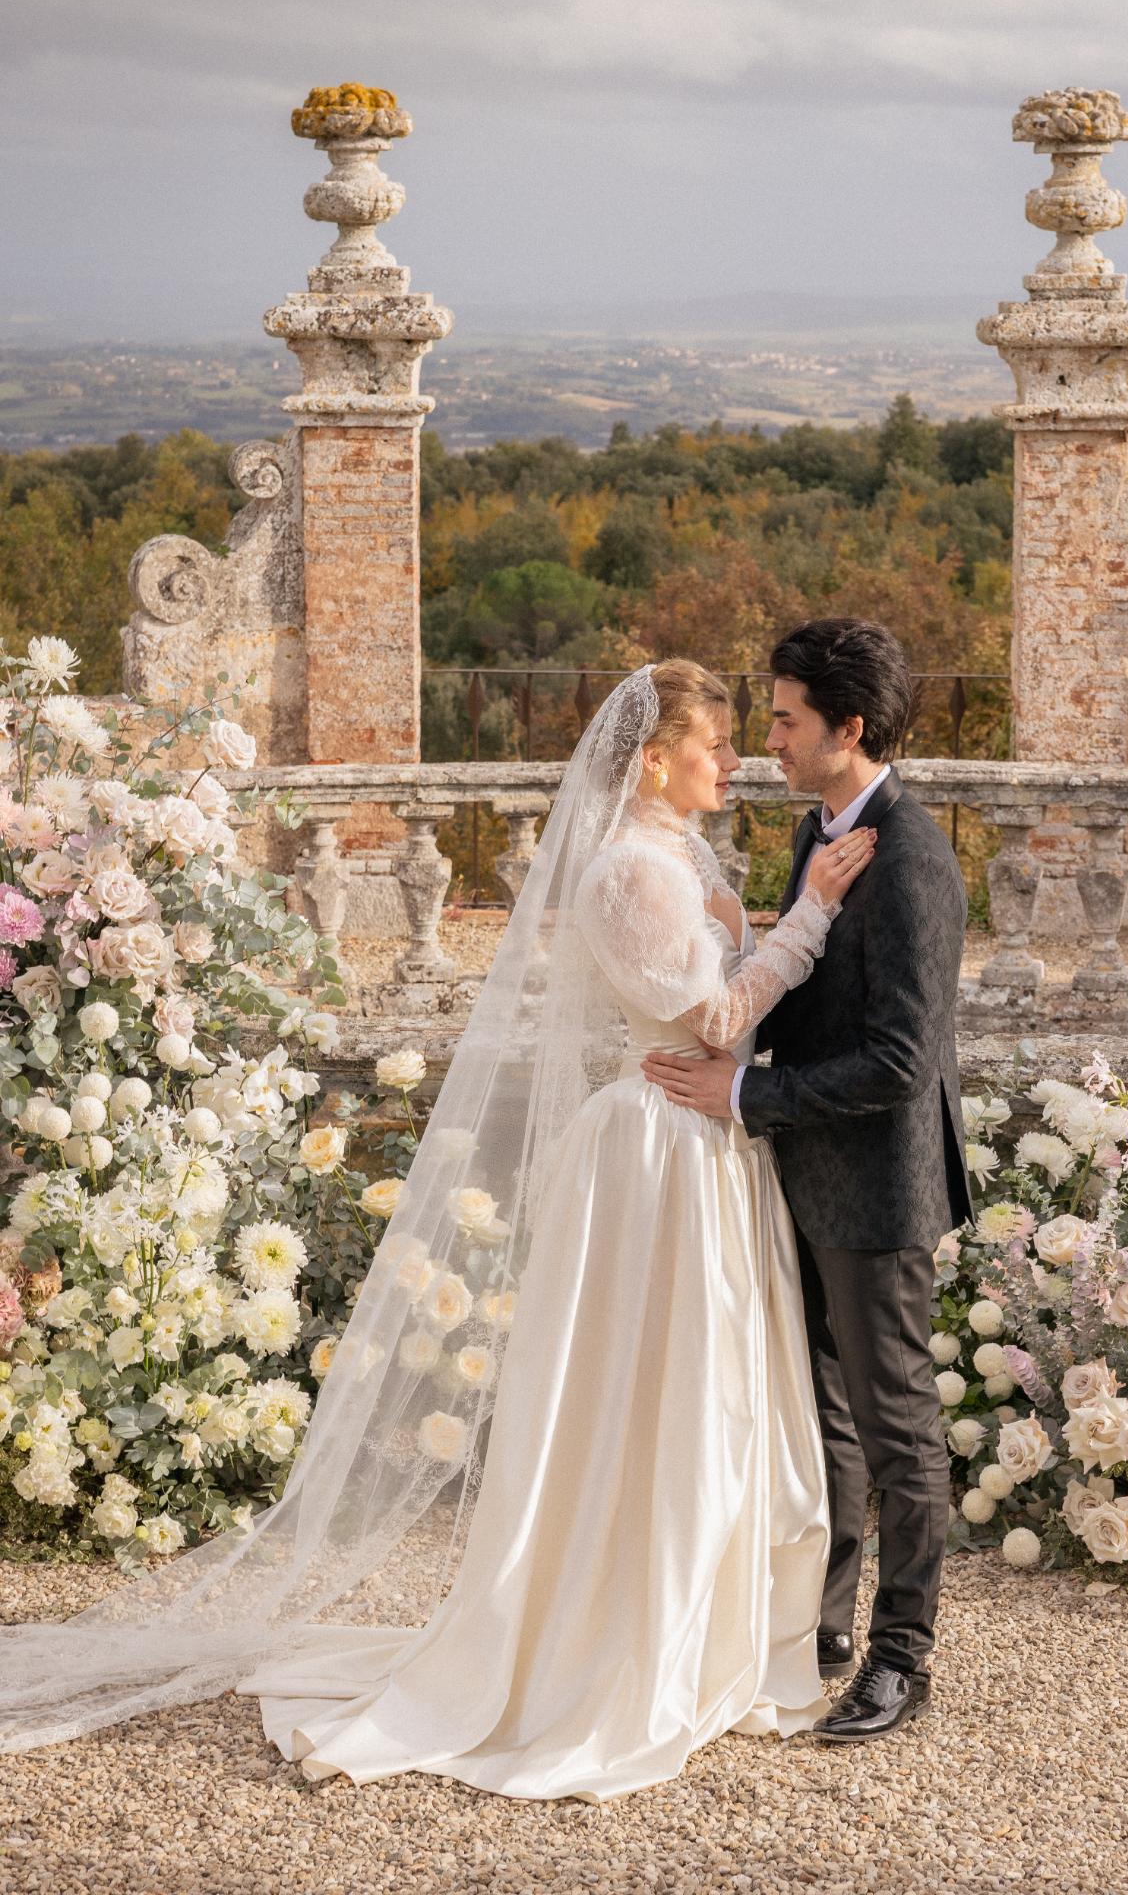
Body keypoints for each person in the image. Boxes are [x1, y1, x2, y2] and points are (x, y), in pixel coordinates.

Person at [0, 660, 875, 1803]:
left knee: (714, 1391)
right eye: (715, 745)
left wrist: (748, 928)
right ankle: (616, 1643)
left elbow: (722, 1002)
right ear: (655, 760)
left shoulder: (690, 858)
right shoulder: (624, 869)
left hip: (709, 1143)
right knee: (655, 1385)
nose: (735, 763)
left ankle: (709, 1632)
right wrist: (807, 914)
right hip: (656, 1153)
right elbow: (712, 1016)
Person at [644, 619, 972, 1743]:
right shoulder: (813, 834)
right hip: (795, 1174)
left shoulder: (914, 856)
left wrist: (741, 1099)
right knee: (821, 1413)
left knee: (895, 1426)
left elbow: (899, 1062)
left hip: (876, 1189)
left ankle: (901, 1659)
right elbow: (789, 983)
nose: (768, 738)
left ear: (850, 727)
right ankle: (822, 1629)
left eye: (785, 720)